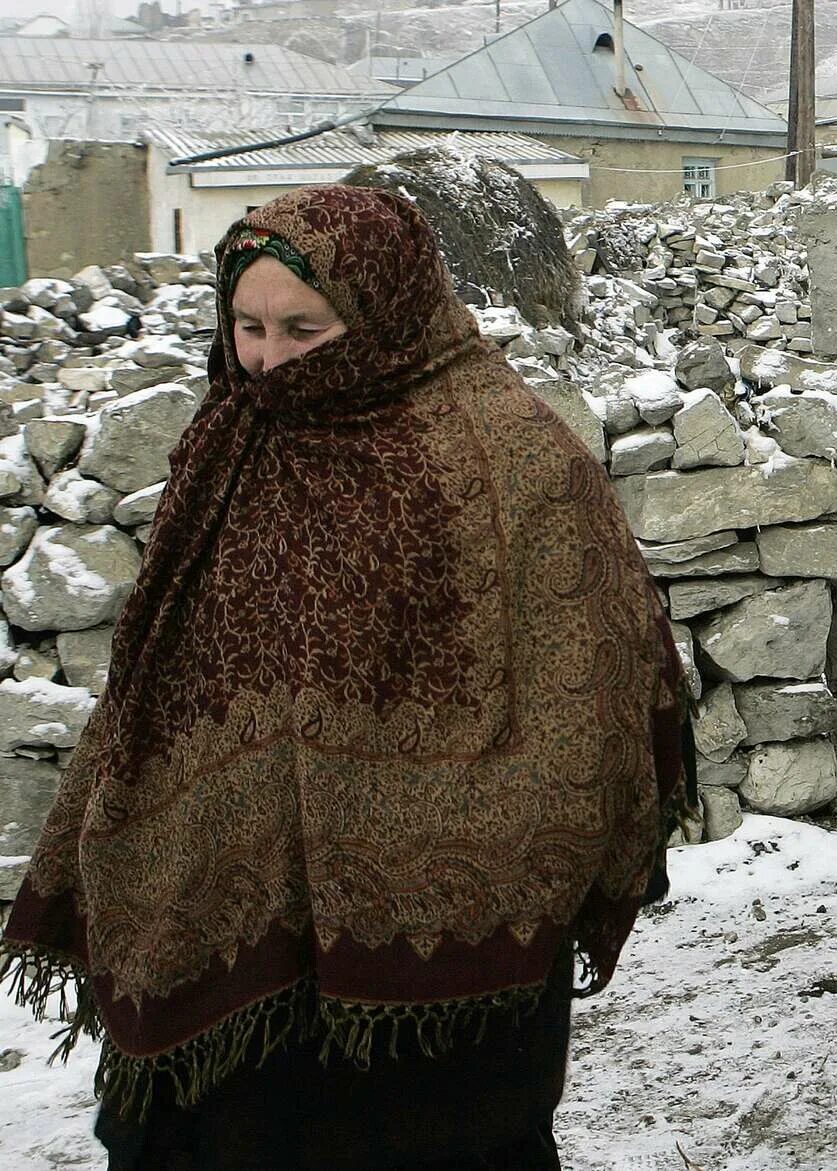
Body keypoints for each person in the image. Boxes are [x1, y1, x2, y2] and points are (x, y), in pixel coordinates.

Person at [0, 185, 689, 1168]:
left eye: (302, 327)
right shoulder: (231, 436)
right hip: (227, 914)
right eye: (248, 326)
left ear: (383, 309)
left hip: (441, 959)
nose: (269, 358)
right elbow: (160, 663)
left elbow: (593, 675)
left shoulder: (510, 451)